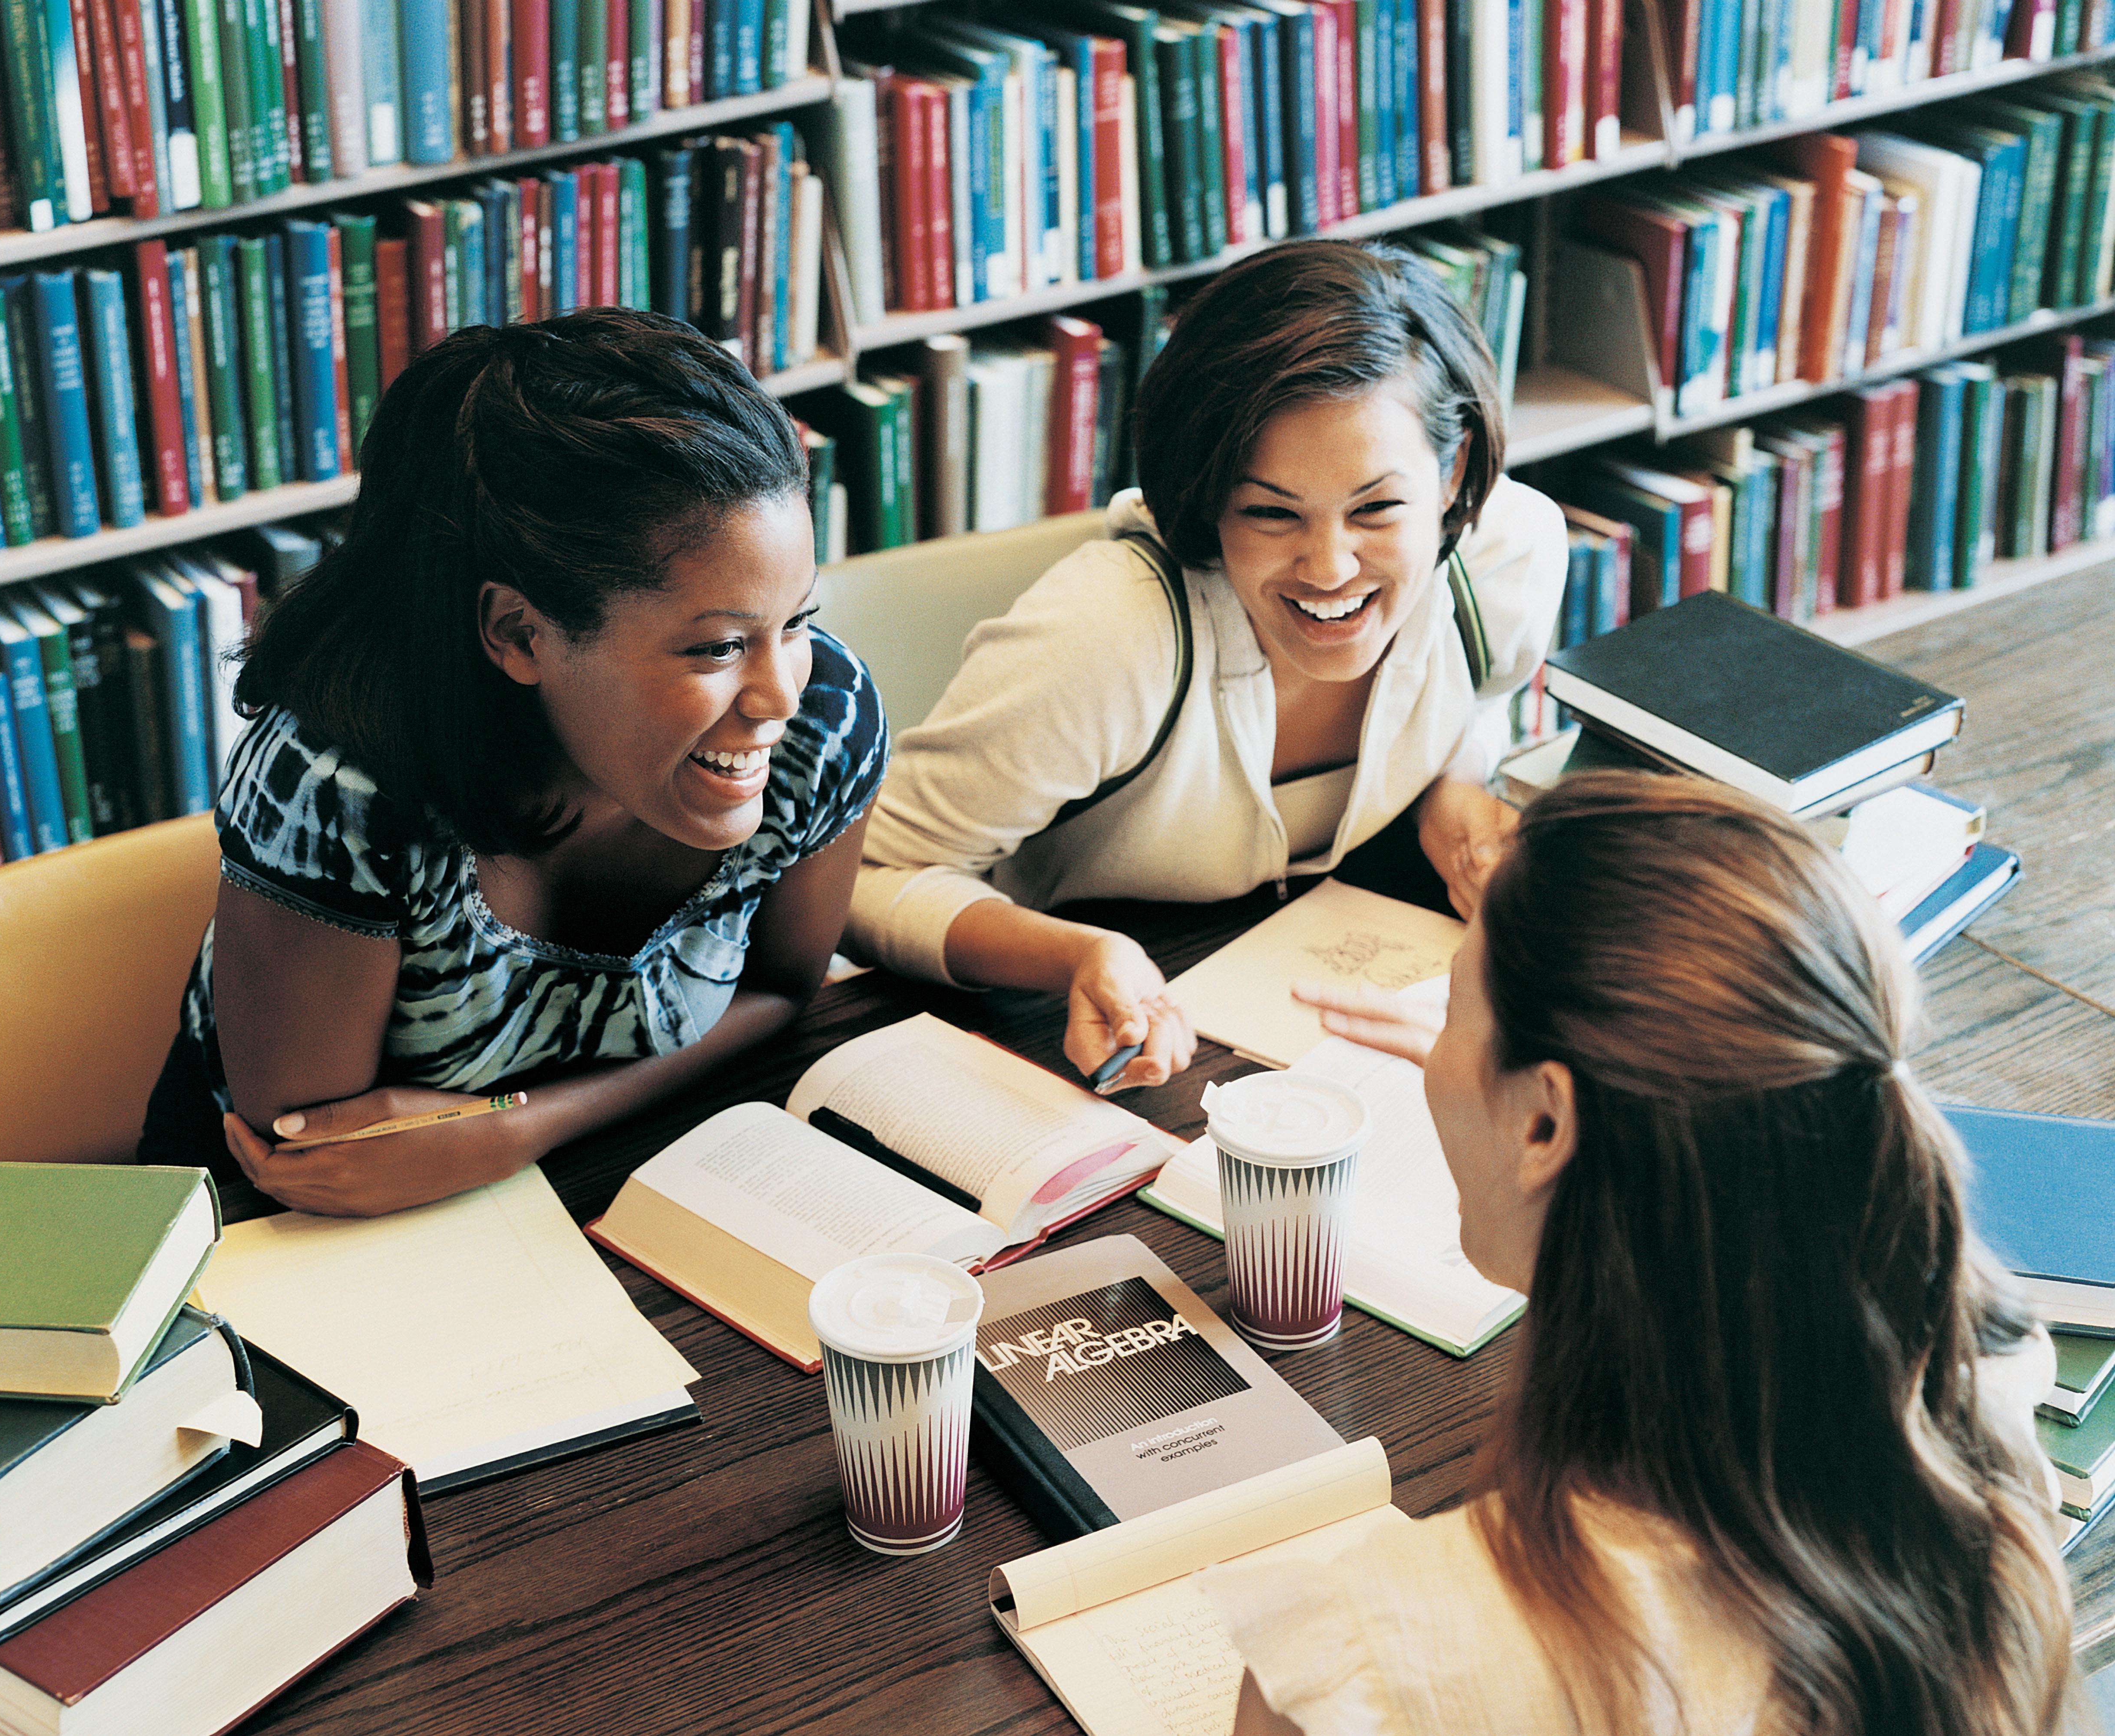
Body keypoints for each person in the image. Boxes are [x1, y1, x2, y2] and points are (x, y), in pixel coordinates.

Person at [1213, 771, 2073, 1736]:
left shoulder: (1375, 1660)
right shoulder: (1987, 1433)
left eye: (1451, 1005)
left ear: (1548, 1119)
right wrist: (1521, 1101)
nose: (1437, 1051)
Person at [137, 309, 887, 1218]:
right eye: (718, 648)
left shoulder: (826, 720)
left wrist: (517, 1127)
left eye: (798, 623)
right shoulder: (338, 787)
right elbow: (309, 1153)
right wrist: (508, 1141)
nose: (779, 695)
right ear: (519, 633)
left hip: (616, 1175)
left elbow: (784, 988)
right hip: (285, 1237)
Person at [846, 240, 1566, 1093]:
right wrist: (1074, 955)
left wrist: (1452, 785)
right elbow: (865, 877)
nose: (1330, 568)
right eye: (1271, 513)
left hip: (1337, 1024)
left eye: (1377, 508)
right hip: (1088, 1033)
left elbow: (1473, 698)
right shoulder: (1108, 638)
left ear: (1451, 476)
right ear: (1205, 492)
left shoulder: (1507, 557)